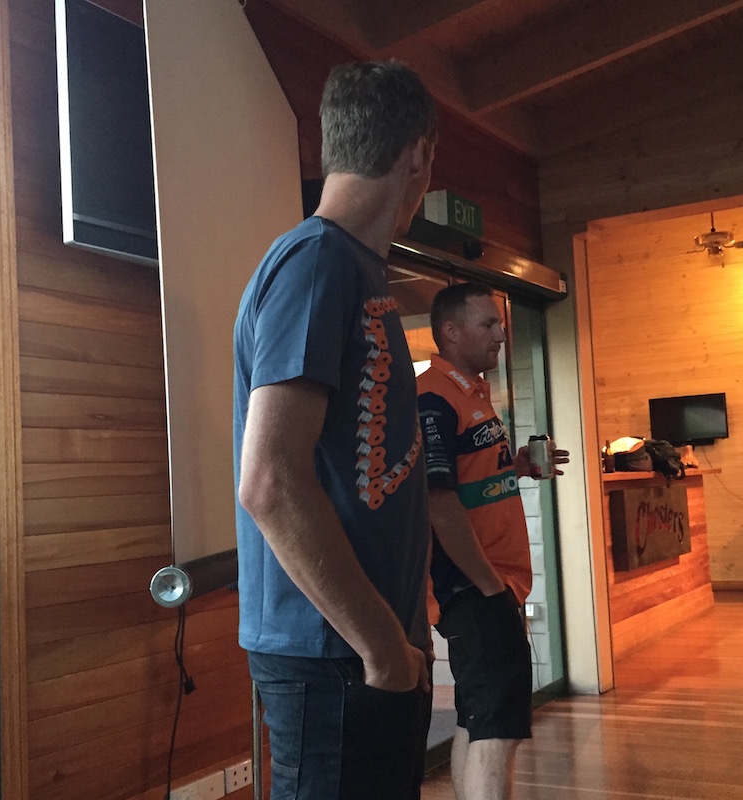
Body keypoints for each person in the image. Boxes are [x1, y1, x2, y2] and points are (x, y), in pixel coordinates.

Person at [232, 60, 438, 800]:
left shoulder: (354, 269)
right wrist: (382, 649)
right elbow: (269, 482)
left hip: (365, 649)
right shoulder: (317, 260)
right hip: (335, 654)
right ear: (419, 155)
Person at [417, 282, 568, 800]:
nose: (501, 335)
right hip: (473, 585)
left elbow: (463, 482)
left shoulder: (471, 392)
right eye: (488, 324)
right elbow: (437, 501)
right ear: (451, 332)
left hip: (490, 583)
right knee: (497, 731)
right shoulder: (434, 397)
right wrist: (487, 586)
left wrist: (515, 467)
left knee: (477, 720)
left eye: (500, 324)